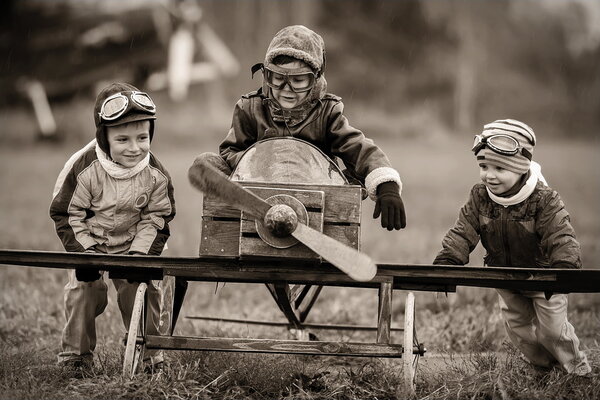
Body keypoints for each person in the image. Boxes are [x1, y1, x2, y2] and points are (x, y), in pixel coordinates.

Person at [192, 25, 406, 231]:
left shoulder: (327, 113)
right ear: (267, 75)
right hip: (259, 195)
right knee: (206, 163)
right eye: (278, 79)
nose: (287, 89)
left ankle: (333, 232)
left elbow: (358, 148)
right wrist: (258, 160)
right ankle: (226, 229)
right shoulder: (250, 107)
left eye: (299, 81)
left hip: (315, 195)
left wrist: (386, 186)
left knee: (356, 176)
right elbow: (229, 152)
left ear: (315, 79)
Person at [433, 118, 591, 376]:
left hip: (544, 279)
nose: (489, 175)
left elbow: (561, 235)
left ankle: (577, 369)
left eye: (499, 168)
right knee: (518, 330)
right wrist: (449, 259)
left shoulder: (544, 199)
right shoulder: (480, 197)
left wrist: (564, 269)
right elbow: (464, 230)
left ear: (521, 168)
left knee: (552, 331)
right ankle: (542, 368)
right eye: (484, 166)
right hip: (504, 275)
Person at [49, 82, 176, 376]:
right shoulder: (84, 168)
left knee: (144, 292)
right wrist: (85, 253)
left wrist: (140, 255)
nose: (135, 148)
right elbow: (68, 213)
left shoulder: (155, 173)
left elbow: (157, 216)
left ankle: (148, 356)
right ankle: (76, 358)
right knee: (83, 289)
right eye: (122, 139)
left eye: (142, 137)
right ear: (103, 138)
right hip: (91, 240)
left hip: (136, 241)